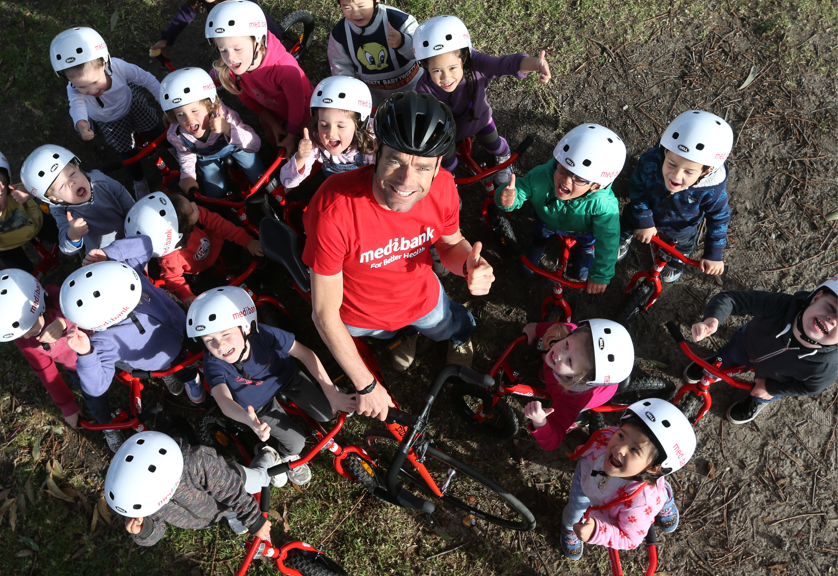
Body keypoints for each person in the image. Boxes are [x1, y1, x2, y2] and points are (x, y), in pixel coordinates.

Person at [302, 91, 495, 421]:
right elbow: (324, 312)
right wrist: (365, 385)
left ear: (437, 167)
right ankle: (405, 335)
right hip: (360, 319)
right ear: (376, 151)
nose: (407, 182)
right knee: (393, 334)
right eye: (396, 161)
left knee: (448, 324)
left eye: (422, 167)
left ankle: (460, 334)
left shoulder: (444, 188)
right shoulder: (334, 207)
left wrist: (467, 265)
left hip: (423, 302)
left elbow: (449, 245)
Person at [186, 287, 357, 486]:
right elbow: (224, 400)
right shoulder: (212, 363)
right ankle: (283, 454)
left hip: (286, 377)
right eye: (209, 340)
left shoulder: (263, 334)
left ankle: (328, 399)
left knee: (328, 414)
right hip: (258, 406)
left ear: (246, 327)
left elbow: (304, 353)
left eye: (226, 334)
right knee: (296, 443)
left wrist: (331, 391)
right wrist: (249, 421)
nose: (220, 346)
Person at [60, 235, 204, 452]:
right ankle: (187, 377)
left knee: (199, 350)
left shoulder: (127, 272)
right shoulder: (104, 340)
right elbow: (97, 386)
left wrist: (110, 254)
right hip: (160, 361)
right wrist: (87, 354)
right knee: (180, 367)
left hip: (184, 324)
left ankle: (188, 374)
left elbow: (146, 243)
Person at [413, 15, 551, 186]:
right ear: (425, 67)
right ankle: (449, 183)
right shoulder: (423, 89)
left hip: (479, 119)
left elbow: (505, 64)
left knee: (495, 145)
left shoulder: (477, 64)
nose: (446, 77)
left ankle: (503, 154)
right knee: (446, 165)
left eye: (452, 68)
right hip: (445, 134)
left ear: (464, 58)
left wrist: (536, 64)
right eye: (436, 70)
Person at [686, 276, 838, 424]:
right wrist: (712, 319)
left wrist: (772, 389)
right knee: (728, 356)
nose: (833, 319)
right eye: (831, 307)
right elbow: (733, 299)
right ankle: (716, 365)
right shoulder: (782, 305)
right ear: (817, 297)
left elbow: (810, 387)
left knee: (763, 393)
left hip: (775, 379)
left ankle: (756, 401)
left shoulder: (827, 366)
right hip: (746, 343)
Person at [496, 123, 626, 294]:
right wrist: (507, 197)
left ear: (596, 186)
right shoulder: (542, 176)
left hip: (583, 231)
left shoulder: (604, 205)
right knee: (540, 233)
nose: (566, 181)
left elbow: (608, 240)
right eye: (564, 168)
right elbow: (521, 188)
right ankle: (538, 244)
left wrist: (601, 274)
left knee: (588, 241)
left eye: (579, 178)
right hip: (546, 221)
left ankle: (586, 250)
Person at [560, 399, 696, 560]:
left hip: (628, 497)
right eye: (621, 436)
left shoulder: (638, 503)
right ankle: (570, 528)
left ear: (653, 468)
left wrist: (597, 532)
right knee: (574, 515)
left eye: (634, 449)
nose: (619, 448)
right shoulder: (607, 438)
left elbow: (630, 539)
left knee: (654, 498)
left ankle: (664, 501)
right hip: (585, 481)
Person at [617, 110, 733, 283]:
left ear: (706, 171)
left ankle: (678, 256)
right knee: (628, 219)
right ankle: (622, 236)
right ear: (665, 152)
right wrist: (644, 220)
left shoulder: (711, 190)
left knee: (684, 242)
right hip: (646, 207)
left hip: (682, 226)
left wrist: (714, 253)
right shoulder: (651, 162)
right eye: (671, 164)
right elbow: (637, 186)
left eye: (689, 171)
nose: (676, 176)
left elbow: (720, 218)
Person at [106, 431, 277, 547]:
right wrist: (144, 530)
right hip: (208, 513)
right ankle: (231, 514)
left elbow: (231, 488)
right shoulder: (142, 500)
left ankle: (269, 455)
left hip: (232, 478)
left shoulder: (194, 463)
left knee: (261, 480)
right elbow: (158, 529)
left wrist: (253, 519)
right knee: (228, 510)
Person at [50, 27, 165, 197]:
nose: (91, 90)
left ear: (104, 63)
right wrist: (82, 123)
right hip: (109, 120)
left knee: (155, 131)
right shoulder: (73, 88)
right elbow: (76, 105)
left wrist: (165, 102)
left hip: (131, 104)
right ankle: (139, 180)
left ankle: (172, 146)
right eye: (82, 86)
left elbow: (146, 79)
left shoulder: (119, 67)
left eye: (95, 82)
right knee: (127, 153)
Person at [206, 0, 313, 153]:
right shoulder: (233, 72)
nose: (230, 58)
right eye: (223, 50)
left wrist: (290, 136)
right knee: (269, 129)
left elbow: (297, 107)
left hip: (303, 110)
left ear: (258, 42)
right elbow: (251, 102)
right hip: (272, 111)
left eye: (237, 48)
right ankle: (275, 149)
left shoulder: (285, 69)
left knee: (313, 139)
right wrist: (275, 126)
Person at [124, 192, 262, 308]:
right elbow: (172, 279)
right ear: (182, 230)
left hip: (218, 245)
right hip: (198, 271)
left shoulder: (197, 216)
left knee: (243, 255)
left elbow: (221, 225)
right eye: (191, 209)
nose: (194, 205)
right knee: (208, 297)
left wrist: (246, 241)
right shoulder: (170, 258)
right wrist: (186, 295)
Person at [522, 319, 634, 451]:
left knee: (572, 414)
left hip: (593, 398)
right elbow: (560, 327)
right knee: (547, 371)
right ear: (572, 334)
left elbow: (552, 442)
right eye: (567, 345)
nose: (559, 354)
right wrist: (536, 328)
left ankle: (579, 420)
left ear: (580, 380)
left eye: (569, 361)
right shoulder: (565, 334)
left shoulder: (571, 399)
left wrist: (540, 421)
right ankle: (546, 374)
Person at [161, 67, 268, 199]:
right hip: (206, 156)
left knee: (260, 177)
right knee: (215, 195)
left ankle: (273, 192)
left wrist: (228, 129)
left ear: (210, 106)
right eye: (180, 115)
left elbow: (255, 144)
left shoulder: (226, 117)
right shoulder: (176, 135)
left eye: (195, 111)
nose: (189, 119)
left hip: (236, 146)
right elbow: (185, 154)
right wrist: (187, 175)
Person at [0, 269, 82, 428]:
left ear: (39, 305)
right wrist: (67, 406)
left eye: (29, 328)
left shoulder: (53, 296)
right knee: (93, 394)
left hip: (102, 347)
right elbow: (45, 370)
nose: (26, 337)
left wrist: (62, 322)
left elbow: (79, 306)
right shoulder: (22, 336)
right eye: (20, 334)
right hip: (76, 367)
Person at [20, 145, 134, 257]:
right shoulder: (62, 211)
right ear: (55, 199)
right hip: (105, 255)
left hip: (131, 233)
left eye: (72, 174)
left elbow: (124, 198)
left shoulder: (100, 180)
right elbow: (66, 249)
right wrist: (73, 235)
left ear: (77, 167)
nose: (71, 183)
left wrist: (135, 219)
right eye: (61, 186)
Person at [280, 76, 375, 188]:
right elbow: (287, 183)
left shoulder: (373, 139)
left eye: (340, 126)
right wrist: (301, 157)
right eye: (324, 125)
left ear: (360, 125)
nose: (331, 133)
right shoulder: (315, 142)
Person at [328, 0, 423, 107]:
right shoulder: (340, 33)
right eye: (347, 7)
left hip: (413, 88)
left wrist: (402, 42)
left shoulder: (400, 20)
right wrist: (348, 91)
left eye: (361, 5)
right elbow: (340, 66)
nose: (356, 13)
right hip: (373, 96)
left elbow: (420, 51)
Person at [149, 0, 283, 54]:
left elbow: (259, 23)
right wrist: (167, 38)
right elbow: (185, 14)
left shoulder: (244, 4)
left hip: (260, 37)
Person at [0, 151, 59, 272]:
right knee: (21, 274)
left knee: (63, 235)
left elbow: (46, 187)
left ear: (7, 188)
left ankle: (86, 250)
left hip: (36, 223)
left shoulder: (17, 191)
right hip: (6, 246)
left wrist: (29, 192)